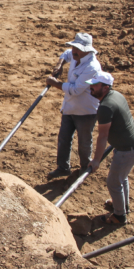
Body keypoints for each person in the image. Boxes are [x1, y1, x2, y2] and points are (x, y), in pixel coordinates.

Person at [86, 73, 134, 226]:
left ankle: (119, 216)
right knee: (121, 178)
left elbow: (103, 136)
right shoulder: (116, 95)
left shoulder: (105, 107)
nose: (91, 87)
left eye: (95, 85)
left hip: (127, 149)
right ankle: (122, 205)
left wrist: (96, 160)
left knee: (113, 182)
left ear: (105, 88)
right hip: (133, 144)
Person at [45, 32, 103, 179]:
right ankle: (63, 167)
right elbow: (66, 54)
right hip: (70, 107)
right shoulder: (77, 55)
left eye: (77, 49)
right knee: (64, 138)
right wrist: (59, 65)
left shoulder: (92, 67)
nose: (73, 51)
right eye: (73, 48)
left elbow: (75, 89)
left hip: (86, 110)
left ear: (88, 50)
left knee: (84, 142)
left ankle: (84, 168)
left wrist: (54, 83)